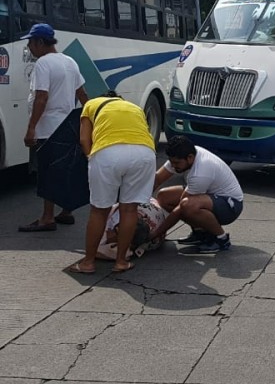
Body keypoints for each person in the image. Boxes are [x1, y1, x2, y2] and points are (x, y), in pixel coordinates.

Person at [68, 91, 156, 274]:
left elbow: (84, 139)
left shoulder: (92, 104)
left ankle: (88, 263)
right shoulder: (134, 107)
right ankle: (121, 261)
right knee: (129, 209)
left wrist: (92, 158)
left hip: (108, 152)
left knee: (99, 210)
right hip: (144, 153)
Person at [18, 23, 89, 232]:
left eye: (30, 43)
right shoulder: (70, 61)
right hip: (68, 127)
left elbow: (42, 97)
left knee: (47, 173)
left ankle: (47, 218)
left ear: (40, 42)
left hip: (48, 128)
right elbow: (82, 94)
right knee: (65, 170)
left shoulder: (43, 64)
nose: (29, 48)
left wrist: (31, 128)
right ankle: (66, 212)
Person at [151, 136, 244, 253]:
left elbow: (180, 208)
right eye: (171, 162)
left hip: (230, 206)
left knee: (187, 205)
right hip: (208, 195)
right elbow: (157, 179)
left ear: (190, 158)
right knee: (163, 197)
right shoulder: (184, 154)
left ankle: (221, 239)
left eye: (176, 163)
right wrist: (139, 204)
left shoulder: (201, 172)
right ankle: (200, 233)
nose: (173, 166)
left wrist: (155, 234)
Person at [96, 198, 168, 262]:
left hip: (152, 209)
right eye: (115, 227)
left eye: (115, 231)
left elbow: (96, 251)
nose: (110, 231)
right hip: (148, 202)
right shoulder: (120, 215)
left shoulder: (138, 245)